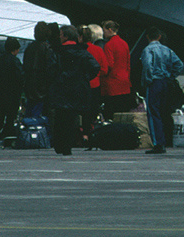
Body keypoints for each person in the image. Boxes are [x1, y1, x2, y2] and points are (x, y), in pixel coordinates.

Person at [49, 25, 100, 155]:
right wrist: (84, 78)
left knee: (60, 118)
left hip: (61, 88)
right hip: (77, 88)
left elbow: (51, 70)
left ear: (65, 36)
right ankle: (68, 145)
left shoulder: (57, 52)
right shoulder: (82, 52)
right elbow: (95, 66)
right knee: (72, 118)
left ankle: (59, 145)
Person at [141, 27, 184, 154]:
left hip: (154, 82)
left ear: (148, 37)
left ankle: (158, 143)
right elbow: (179, 65)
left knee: (153, 112)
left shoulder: (148, 50)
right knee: (164, 111)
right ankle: (167, 139)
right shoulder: (167, 50)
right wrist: (170, 76)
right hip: (166, 82)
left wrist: (148, 80)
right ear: (159, 36)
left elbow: (148, 65)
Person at [0, 37, 25, 146]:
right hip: (12, 95)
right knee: (10, 119)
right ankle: (8, 140)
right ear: (16, 50)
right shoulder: (15, 61)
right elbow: (20, 77)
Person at [79, 24, 109, 145]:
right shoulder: (98, 50)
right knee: (92, 112)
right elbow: (105, 69)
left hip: (80, 85)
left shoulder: (78, 50)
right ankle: (90, 133)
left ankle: (81, 134)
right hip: (95, 84)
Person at [100, 20, 134, 116]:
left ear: (109, 30)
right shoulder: (124, 43)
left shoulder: (109, 45)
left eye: (104, 30)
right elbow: (128, 64)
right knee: (122, 113)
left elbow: (109, 65)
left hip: (112, 83)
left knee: (111, 113)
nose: (103, 33)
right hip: (124, 82)